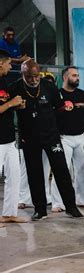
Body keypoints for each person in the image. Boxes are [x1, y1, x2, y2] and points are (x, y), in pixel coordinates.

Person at [9, 59, 83, 220]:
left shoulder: (49, 87)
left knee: (62, 170)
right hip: (29, 138)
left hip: (51, 135)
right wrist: (14, 106)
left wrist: (57, 129)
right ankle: (40, 209)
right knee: (34, 173)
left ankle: (71, 207)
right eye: (30, 77)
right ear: (23, 74)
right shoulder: (15, 88)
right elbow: (7, 110)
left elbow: (60, 108)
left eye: (37, 76)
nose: (34, 80)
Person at [50, 66, 84, 212]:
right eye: (74, 75)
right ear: (65, 77)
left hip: (81, 137)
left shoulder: (83, 95)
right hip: (63, 138)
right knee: (61, 170)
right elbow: (49, 115)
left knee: (83, 169)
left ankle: (83, 199)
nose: (77, 78)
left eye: (77, 75)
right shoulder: (56, 95)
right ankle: (58, 203)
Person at [0, 49, 27, 225]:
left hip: (9, 138)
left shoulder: (3, 82)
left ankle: (9, 213)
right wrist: (11, 103)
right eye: (9, 63)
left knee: (15, 176)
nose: (11, 66)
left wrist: (16, 106)